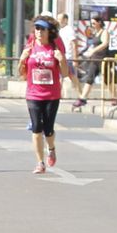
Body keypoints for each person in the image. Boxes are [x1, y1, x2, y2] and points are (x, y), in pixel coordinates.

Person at [20, 17, 75, 174]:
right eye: (37, 28)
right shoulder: (31, 45)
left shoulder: (55, 46)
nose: (39, 32)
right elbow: (21, 73)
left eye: (42, 29)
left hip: (52, 94)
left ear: (49, 32)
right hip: (33, 93)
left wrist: (62, 59)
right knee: (36, 127)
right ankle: (40, 162)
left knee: (48, 129)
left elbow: (64, 73)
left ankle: (51, 148)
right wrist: (22, 60)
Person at [73, 18, 110, 110]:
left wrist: (94, 50)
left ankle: (115, 97)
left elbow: (105, 43)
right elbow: (92, 45)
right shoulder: (95, 34)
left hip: (103, 59)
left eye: (94, 23)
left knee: (108, 80)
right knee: (90, 78)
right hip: (95, 59)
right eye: (91, 23)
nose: (92, 25)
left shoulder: (104, 32)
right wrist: (84, 53)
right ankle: (83, 98)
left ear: (99, 23)